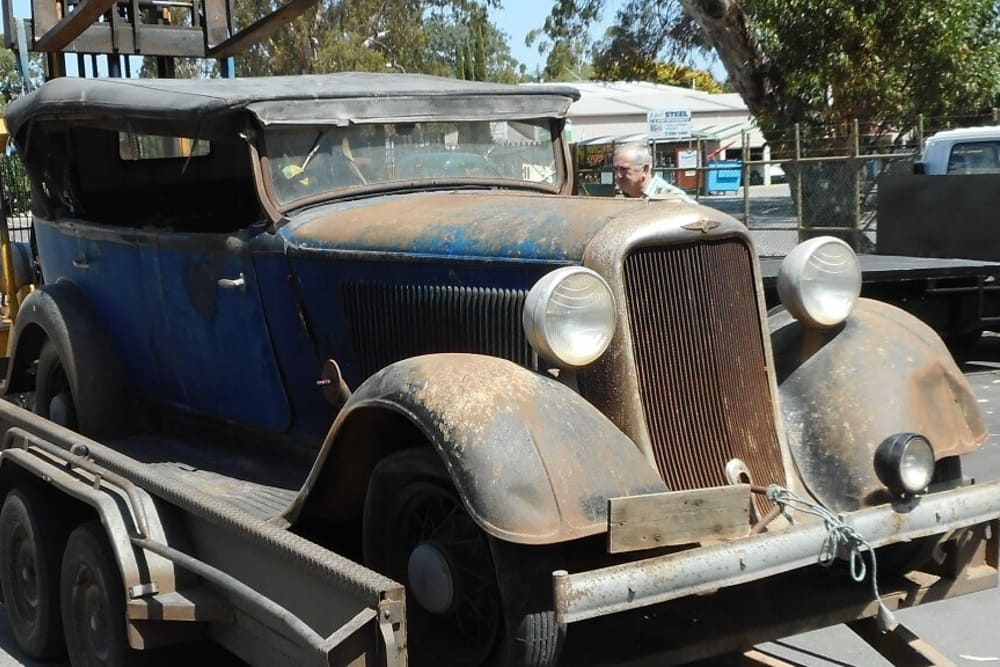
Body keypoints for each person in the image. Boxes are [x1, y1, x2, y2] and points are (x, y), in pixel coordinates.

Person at [612, 142, 695, 203]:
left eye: (624, 169)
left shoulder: (673, 199)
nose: (618, 175)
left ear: (645, 169)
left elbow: (701, 219)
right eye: (616, 169)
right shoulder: (622, 198)